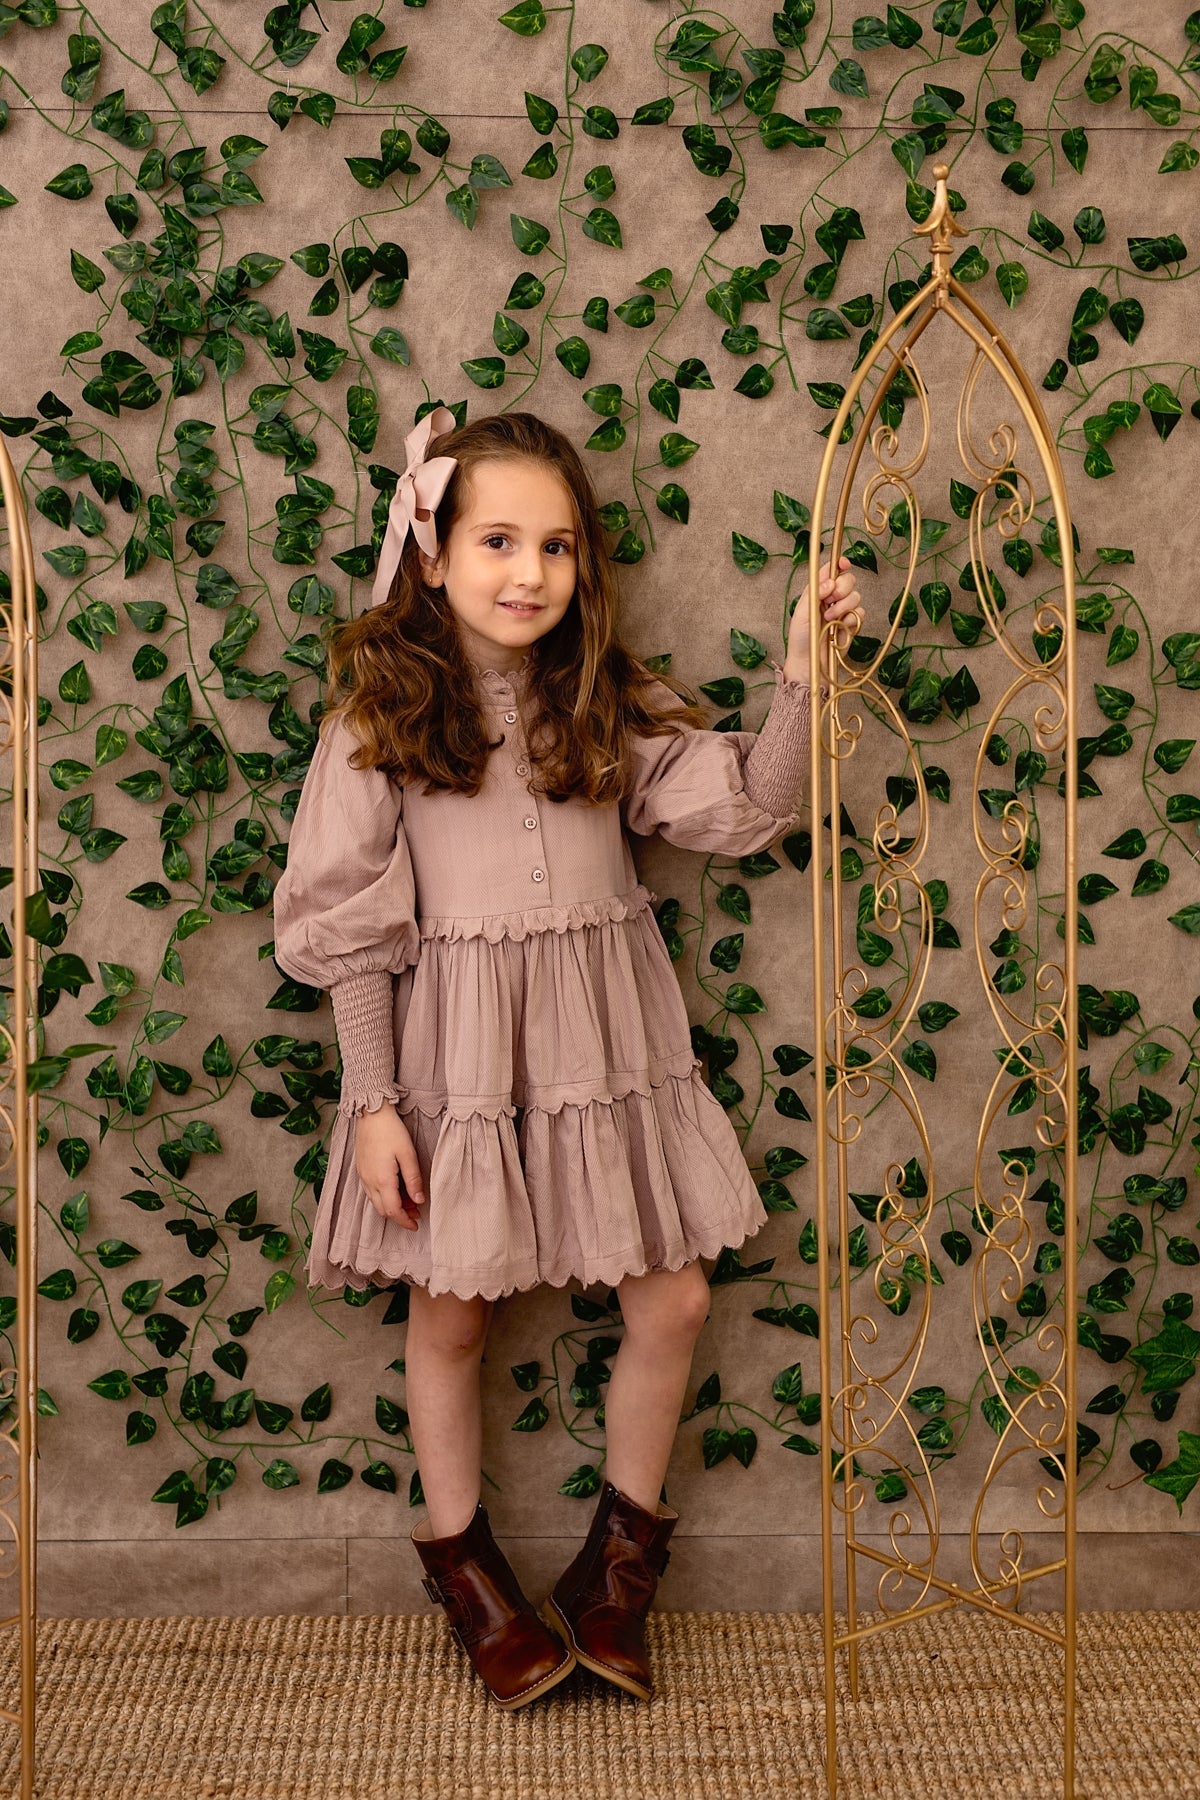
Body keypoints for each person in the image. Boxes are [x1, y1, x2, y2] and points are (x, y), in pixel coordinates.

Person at [271, 406, 862, 1711]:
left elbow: (750, 804)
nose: (529, 571)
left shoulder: (598, 699)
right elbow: (346, 915)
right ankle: (467, 1572)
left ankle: (617, 1571)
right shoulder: (383, 711)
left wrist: (803, 683)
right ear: (432, 552)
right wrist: (373, 1101)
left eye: (555, 545)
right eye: (496, 540)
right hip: (458, 1060)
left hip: (607, 1049)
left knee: (676, 1301)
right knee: (452, 1310)